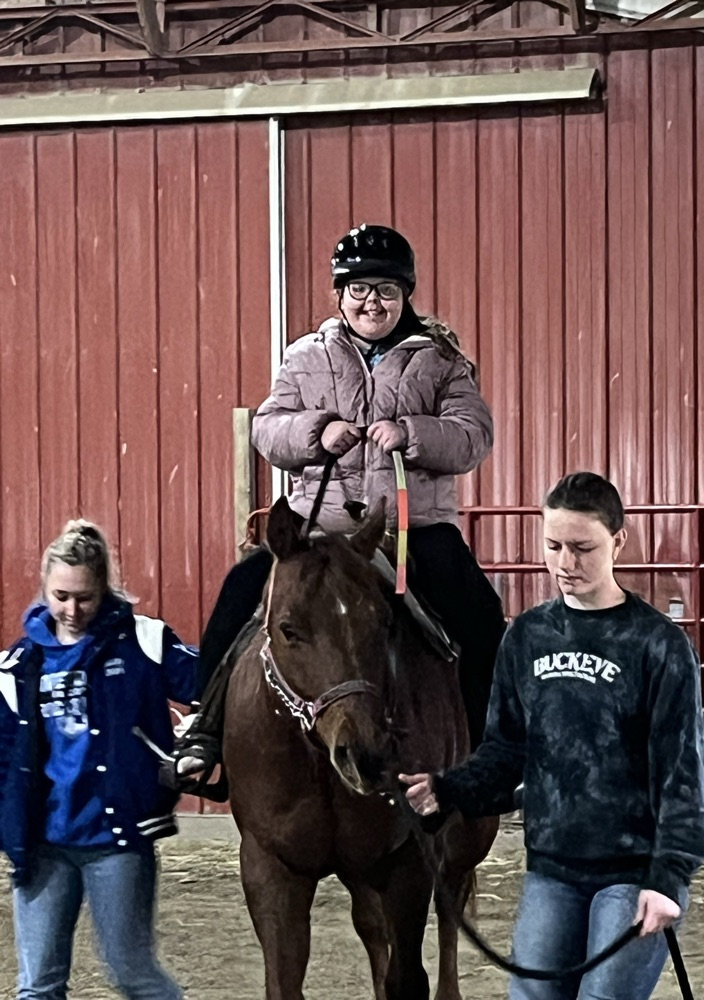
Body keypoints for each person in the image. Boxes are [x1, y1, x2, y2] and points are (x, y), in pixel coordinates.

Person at [171, 222, 507, 794]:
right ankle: (206, 731)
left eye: (386, 290)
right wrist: (317, 431)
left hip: (411, 529)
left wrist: (411, 433)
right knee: (241, 589)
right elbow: (268, 428)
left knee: (479, 614)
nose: (372, 302)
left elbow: (474, 435)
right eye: (359, 289)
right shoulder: (305, 356)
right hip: (317, 529)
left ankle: (492, 750)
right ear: (339, 294)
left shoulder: (443, 361)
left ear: (405, 295)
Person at [400, 472, 704, 1000]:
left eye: (582, 548)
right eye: (553, 546)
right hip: (551, 868)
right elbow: (506, 751)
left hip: (634, 871)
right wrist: (447, 790)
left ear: (618, 541)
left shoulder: (659, 645)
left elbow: (683, 775)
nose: (566, 563)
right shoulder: (526, 636)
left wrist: (668, 876)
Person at [0, 520, 197, 1000]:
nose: (72, 610)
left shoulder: (146, 641)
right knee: (37, 986)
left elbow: (211, 684)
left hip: (117, 840)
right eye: (61, 596)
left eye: (84, 597)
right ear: (44, 587)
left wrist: (197, 743)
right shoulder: (17, 665)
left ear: (104, 587)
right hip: (42, 843)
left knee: (133, 973)